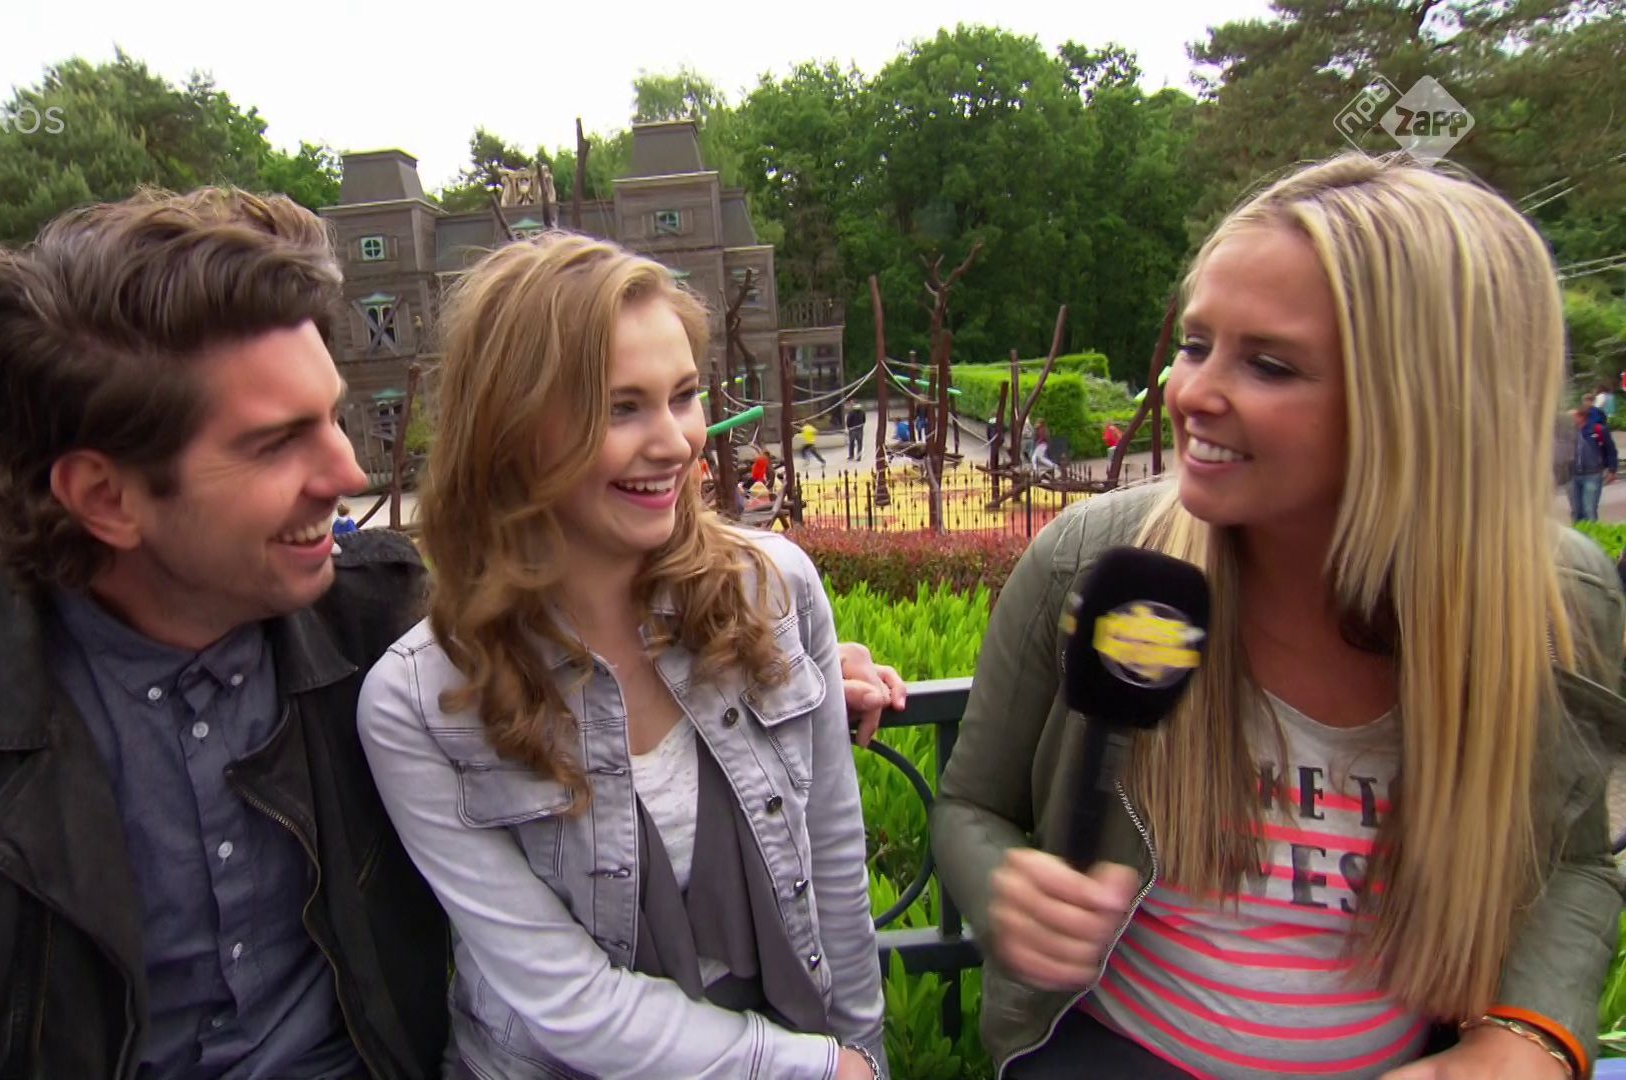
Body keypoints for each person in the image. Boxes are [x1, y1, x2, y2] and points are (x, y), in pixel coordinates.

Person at [0, 189, 906, 1078]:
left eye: (337, 419)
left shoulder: (377, 614)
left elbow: (571, 614)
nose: (350, 473)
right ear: (104, 496)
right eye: (276, 443)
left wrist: (789, 672)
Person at [932, 154, 1626, 1080]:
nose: (1190, 393)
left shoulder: (1552, 608)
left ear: (1426, 403)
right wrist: (1002, 890)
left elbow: (1575, 864)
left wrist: (1528, 1034)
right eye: (1195, 344)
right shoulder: (1086, 560)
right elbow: (972, 805)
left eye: (1268, 363)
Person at [357, 233, 888, 1079]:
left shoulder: (774, 589)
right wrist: (814, 1070)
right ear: (511, 432)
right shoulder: (422, 701)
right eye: (621, 408)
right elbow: (565, 997)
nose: (676, 442)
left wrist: (862, 1053)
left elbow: (833, 869)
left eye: (684, 396)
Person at [1568, 392, 1617, 523]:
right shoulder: (1569, 432)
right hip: (1573, 475)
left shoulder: (1598, 429)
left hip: (1592, 474)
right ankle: (1578, 534)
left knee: (1589, 509)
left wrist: (1612, 470)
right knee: (1576, 511)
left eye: (1573, 417)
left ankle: (1591, 534)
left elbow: (1611, 450)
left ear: (1581, 417)